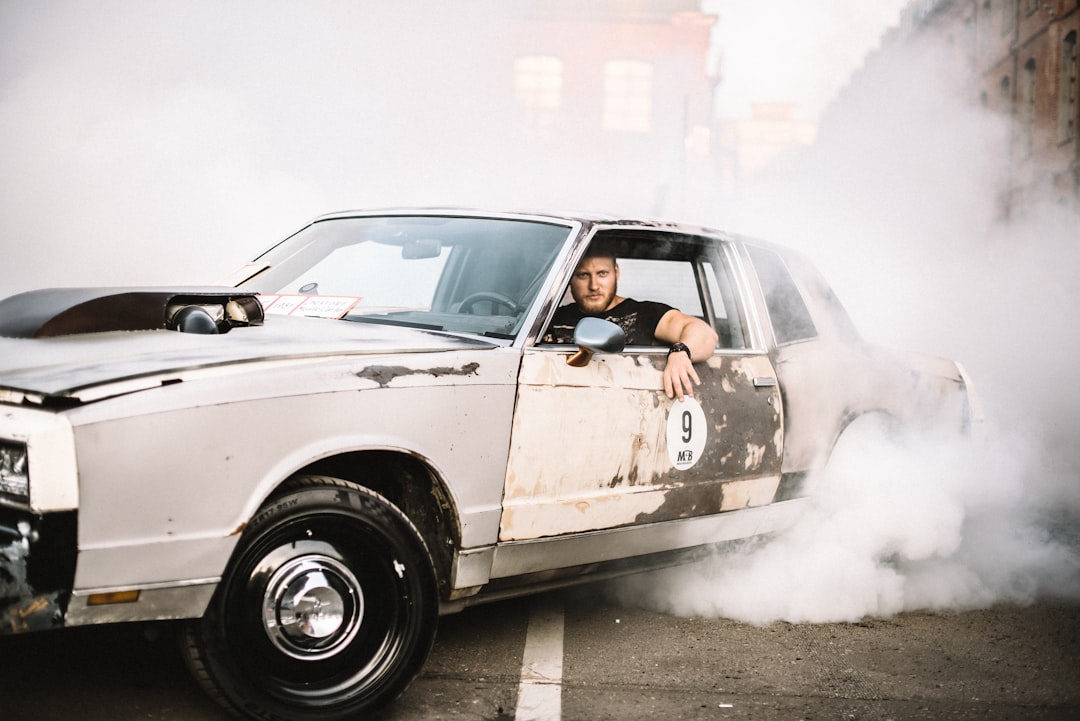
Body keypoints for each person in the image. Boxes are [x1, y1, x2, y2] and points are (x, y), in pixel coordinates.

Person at [543, 247, 719, 401]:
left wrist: (680, 352)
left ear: (616, 272)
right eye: (583, 275)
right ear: (570, 278)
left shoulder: (643, 313)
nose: (594, 285)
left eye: (602, 273)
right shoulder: (549, 318)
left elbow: (705, 334)